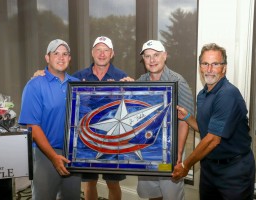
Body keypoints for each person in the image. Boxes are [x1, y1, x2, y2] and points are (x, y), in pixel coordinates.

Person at [32, 36, 127, 200]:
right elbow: (56, 79)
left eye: (106, 50)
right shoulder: (78, 77)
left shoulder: (123, 77)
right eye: (98, 50)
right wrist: (40, 73)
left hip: (112, 140)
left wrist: (133, 87)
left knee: (113, 182)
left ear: (112, 53)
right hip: (85, 140)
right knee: (89, 182)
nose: (102, 54)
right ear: (92, 53)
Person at [172, 43, 256, 200]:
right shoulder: (203, 94)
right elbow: (207, 130)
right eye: (205, 64)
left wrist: (185, 165)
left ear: (224, 68)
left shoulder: (228, 94)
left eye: (215, 64)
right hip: (209, 169)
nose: (209, 69)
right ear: (200, 67)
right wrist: (188, 117)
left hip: (234, 171)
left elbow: (212, 140)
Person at [123, 40, 194, 200]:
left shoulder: (179, 82)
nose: (152, 60)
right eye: (147, 56)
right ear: (144, 60)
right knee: (152, 193)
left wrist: (178, 154)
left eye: (156, 55)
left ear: (165, 56)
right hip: (147, 149)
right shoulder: (141, 81)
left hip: (171, 150)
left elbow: (184, 123)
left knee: (171, 195)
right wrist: (126, 88)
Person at [18, 39, 81, 200]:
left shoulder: (78, 85)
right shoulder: (35, 85)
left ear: (70, 58)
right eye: (56, 53)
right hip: (45, 153)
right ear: (47, 58)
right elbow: (33, 126)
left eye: (65, 54)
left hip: (73, 155)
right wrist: (53, 157)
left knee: (72, 197)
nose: (61, 57)